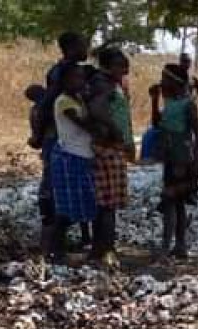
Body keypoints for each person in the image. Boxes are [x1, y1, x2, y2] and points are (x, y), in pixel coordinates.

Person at [34, 32, 90, 258]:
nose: (87, 47)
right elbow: (45, 104)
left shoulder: (73, 71)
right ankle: (51, 246)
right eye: (83, 43)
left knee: (71, 190)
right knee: (56, 190)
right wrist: (38, 134)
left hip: (67, 141)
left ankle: (69, 239)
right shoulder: (61, 74)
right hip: (59, 140)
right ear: (71, 47)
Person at [86, 47, 134, 263]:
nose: (125, 69)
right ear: (108, 65)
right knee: (107, 203)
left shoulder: (113, 84)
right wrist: (115, 131)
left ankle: (102, 248)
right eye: (120, 65)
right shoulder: (103, 84)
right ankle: (105, 249)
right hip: (107, 147)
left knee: (106, 203)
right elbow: (97, 109)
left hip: (112, 147)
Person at [151, 64, 198, 259]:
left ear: (175, 82)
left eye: (164, 79)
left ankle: (166, 245)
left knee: (170, 199)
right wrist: (154, 101)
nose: (161, 82)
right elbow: (157, 123)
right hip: (171, 157)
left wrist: (196, 160)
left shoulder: (187, 104)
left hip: (182, 158)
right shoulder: (170, 102)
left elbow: (197, 133)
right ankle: (180, 245)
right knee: (177, 203)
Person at [49, 62, 99, 262]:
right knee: (66, 209)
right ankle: (56, 251)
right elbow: (86, 125)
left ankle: (69, 247)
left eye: (81, 77)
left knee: (82, 203)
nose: (80, 81)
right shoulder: (64, 102)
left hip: (81, 156)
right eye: (75, 77)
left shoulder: (78, 99)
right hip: (70, 157)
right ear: (64, 81)